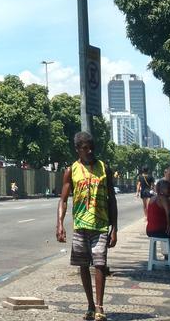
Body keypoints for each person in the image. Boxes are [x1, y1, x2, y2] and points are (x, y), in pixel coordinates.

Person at [56, 132, 118, 321]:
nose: (90, 151)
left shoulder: (104, 168)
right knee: (83, 266)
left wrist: (114, 228)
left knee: (100, 264)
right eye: (85, 148)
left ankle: (99, 306)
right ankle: (90, 304)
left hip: (100, 225)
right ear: (78, 150)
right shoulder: (71, 170)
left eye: (92, 147)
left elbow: (112, 200)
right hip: (80, 225)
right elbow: (63, 200)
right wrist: (60, 223)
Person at [145, 179, 170, 267]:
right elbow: (168, 213)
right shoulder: (163, 199)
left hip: (150, 230)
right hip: (159, 230)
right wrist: (169, 226)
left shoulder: (152, 198)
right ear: (163, 189)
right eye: (169, 188)